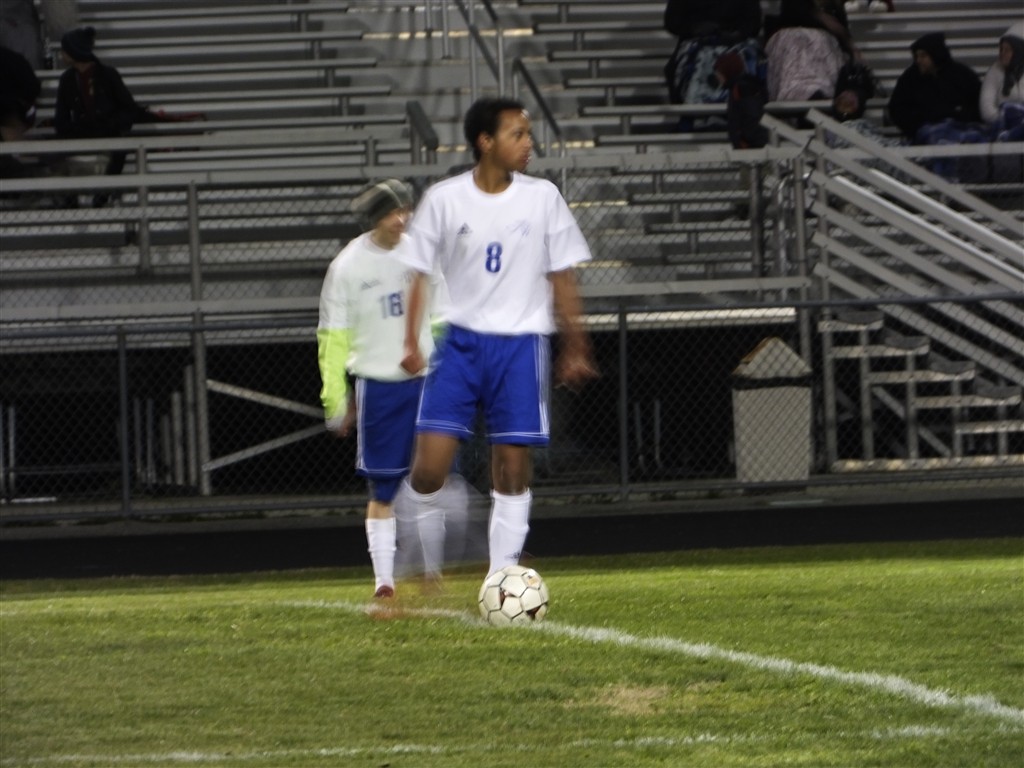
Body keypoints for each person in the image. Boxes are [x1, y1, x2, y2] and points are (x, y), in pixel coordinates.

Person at [397, 97, 598, 583]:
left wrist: (576, 346)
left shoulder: (543, 197)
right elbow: (418, 273)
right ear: (485, 142)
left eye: (528, 134)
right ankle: (421, 564)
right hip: (458, 345)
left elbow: (562, 275)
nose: (529, 144)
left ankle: (502, 573)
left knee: (511, 467)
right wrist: (411, 342)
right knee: (429, 470)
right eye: (517, 134)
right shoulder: (444, 199)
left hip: (521, 346)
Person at [317, 179, 439, 600]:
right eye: (391, 212)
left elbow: (442, 313)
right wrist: (335, 398)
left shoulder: (423, 252)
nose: (401, 219)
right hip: (379, 389)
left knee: (432, 481)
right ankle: (384, 581)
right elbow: (332, 339)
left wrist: (444, 366)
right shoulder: (347, 267)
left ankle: (431, 573)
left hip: (426, 383)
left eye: (405, 209)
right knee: (383, 488)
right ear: (373, 218)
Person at [53, 26, 141, 206]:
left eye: (64, 49)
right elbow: (61, 118)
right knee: (53, 151)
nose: (61, 53)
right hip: (80, 133)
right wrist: (72, 129)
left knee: (119, 149)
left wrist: (112, 124)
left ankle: (103, 196)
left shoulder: (108, 75)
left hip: (108, 132)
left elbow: (129, 109)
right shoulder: (67, 79)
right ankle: (70, 199)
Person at [662, 0, 764, 125]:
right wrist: (694, 29)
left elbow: (753, 23)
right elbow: (672, 22)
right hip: (696, 42)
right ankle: (697, 118)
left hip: (737, 43)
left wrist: (737, 34)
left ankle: (742, 116)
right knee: (696, 61)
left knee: (744, 61)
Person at [887, 32, 981, 143]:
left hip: (961, 128)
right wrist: (918, 127)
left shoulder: (962, 74)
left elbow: (977, 103)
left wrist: (960, 116)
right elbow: (897, 109)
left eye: (923, 56)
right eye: (917, 56)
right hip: (926, 132)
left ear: (935, 54)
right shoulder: (910, 78)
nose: (918, 60)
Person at [713, 52, 769, 149]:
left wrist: (743, 140)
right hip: (747, 144)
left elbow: (752, 115)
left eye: (719, 73)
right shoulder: (740, 87)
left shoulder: (742, 88)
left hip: (749, 146)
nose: (718, 77)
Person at [979, 22, 1024, 141]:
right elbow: (986, 108)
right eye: (1001, 49)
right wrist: (1005, 118)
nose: (1002, 53)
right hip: (1001, 128)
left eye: (1007, 50)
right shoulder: (995, 71)